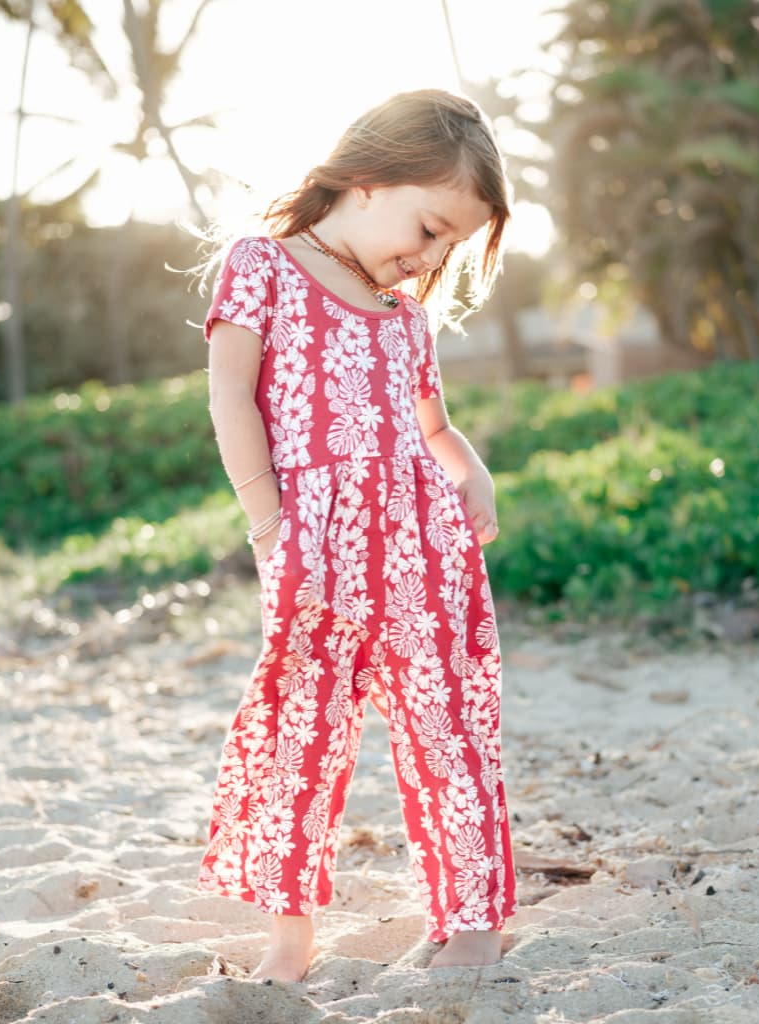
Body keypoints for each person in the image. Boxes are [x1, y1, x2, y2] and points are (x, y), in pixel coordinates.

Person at [197, 88, 516, 983]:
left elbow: (436, 429)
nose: (431, 257)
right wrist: (269, 527)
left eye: (450, 245)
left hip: (424, 543)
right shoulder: (261, 266)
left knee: (450, 722)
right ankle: (289, 941)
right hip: (313, 544)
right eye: (430, 228)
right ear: (369, 180)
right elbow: (231, 402)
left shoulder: (406, 317)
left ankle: (473, 920)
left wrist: (474, 475)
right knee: (302, 727)